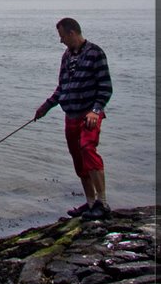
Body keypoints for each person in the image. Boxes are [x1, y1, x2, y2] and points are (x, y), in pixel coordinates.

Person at [34, 17, 113, 221]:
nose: (60, 41)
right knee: (78, 159)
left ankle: (102, 204)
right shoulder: (66, 56)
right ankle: (90, 203)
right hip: (71, 115)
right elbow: (62, 88)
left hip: (89, 115)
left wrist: (95, 111)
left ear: (71, 33)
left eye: (62, 36)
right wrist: (46, 106)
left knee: (88, 149)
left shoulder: (95, 53)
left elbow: (105, 87)